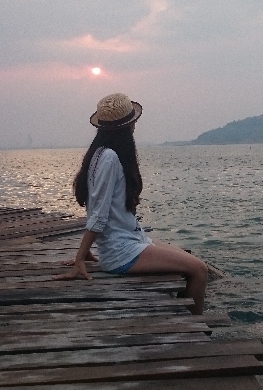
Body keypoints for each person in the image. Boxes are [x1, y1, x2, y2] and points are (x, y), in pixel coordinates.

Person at [54, 93, 208, 315]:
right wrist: (80, 257)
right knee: (199, 270)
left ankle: (179, 313)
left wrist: (89, 253)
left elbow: (97, 205)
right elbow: (99, 214)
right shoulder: (109, 158)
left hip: (130, 240)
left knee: (189, 260)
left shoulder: (99, 154)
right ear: (129, 125)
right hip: (122, 252)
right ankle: (198, 331)